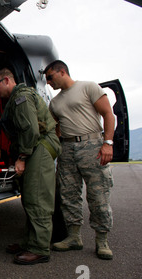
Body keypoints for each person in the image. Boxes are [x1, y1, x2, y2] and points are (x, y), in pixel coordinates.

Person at [44, 60, 115, 260]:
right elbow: (55, 127)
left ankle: (102, 241)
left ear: (62, 71)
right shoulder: (54, 103)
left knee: (98, 195)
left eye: (50, 77)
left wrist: (107, 143)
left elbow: (108, 114)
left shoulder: (88, 87)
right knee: (68, 195)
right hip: (67, 149)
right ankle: (74, 237)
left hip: (92, 145)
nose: (48, 82)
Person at [0, 67, 61, 265]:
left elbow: (30, 130)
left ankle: (39, 249)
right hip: (35, 149)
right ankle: (31, 242)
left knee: (37, 198)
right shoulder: (15, 99)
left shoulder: (20, 97)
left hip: (38, 147)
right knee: (30, 197)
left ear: (6, 80)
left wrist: (21, 157)